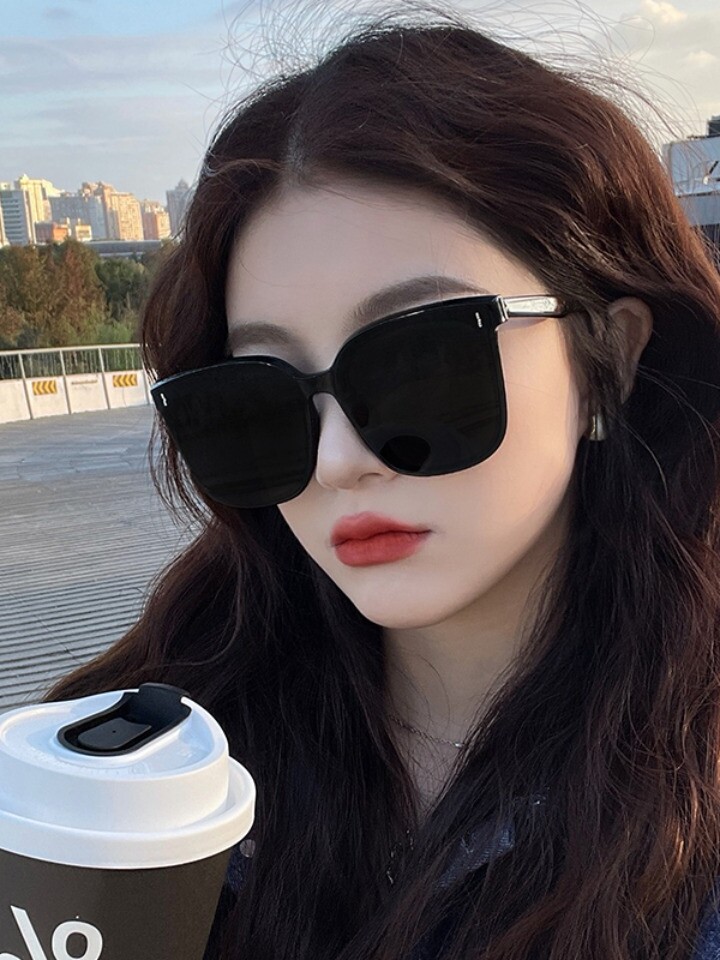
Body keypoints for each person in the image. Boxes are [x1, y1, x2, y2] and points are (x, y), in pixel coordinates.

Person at [46, 4, 720, 958]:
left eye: (419, 366)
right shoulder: (149, 749)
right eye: (260, 397)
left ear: (606, 357)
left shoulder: (692, 823)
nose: (338, 459)